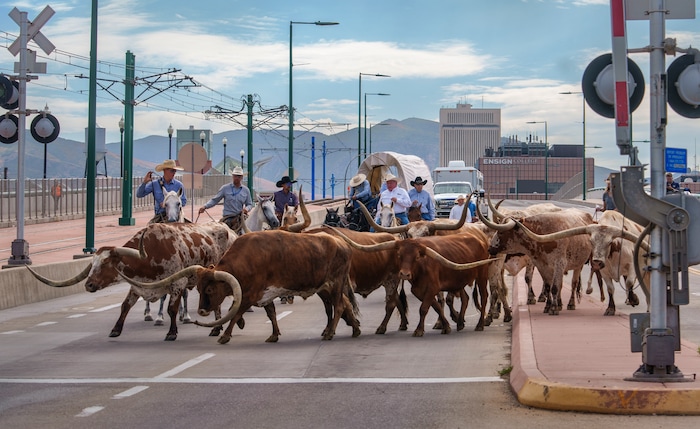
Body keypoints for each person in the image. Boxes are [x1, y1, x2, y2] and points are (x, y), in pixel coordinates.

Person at [199, 166, 252, 233]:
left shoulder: (246, 190)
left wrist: (246, 209)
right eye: (235, 176)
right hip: (227, 219)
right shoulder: (225, 188)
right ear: (232, 176)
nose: (237, 178)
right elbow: (215, 200)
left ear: (242, 177)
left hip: (240, 218)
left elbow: (250, 204)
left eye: (239, 176)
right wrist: (205, 206)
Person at [274, 175, 299, 305]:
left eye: (289, 184)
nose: (288, 186)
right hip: (279, 219)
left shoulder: (293, 196)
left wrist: (293, 211)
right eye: (287, 184)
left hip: (291, 219)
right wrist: (278, 213)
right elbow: (273, 207)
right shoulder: (276, 195)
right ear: (283, 185)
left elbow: (296, 207)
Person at [136, 159, 186, 224]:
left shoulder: (179, 185)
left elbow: (184, 201)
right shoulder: (155, 184)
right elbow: (139, 194)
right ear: (165, 170)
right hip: (160, 216)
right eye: (172, 170)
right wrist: (144, 182)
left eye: (175, 171)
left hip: (176, 217)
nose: (174, 173)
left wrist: (172, 204)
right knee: (148, 231)